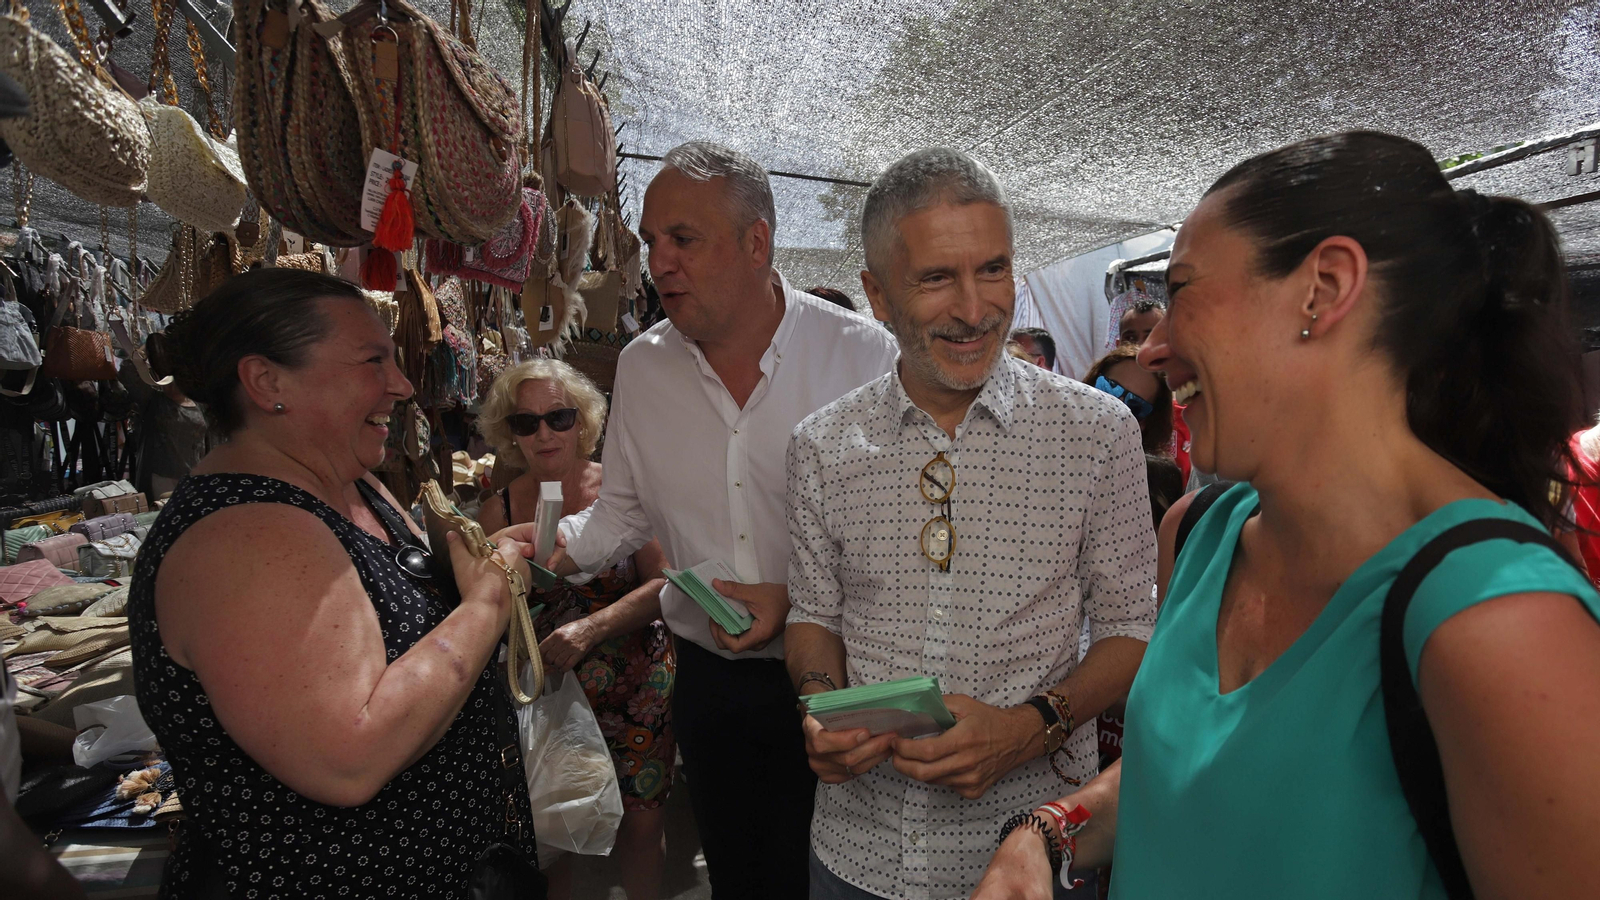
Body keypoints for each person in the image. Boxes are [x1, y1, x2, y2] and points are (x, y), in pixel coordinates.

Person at [972, 130, 1600, 899]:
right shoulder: (1201, 533)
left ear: (1326, 288)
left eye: (1182, 292)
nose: (1156, 347)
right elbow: (1188, 767)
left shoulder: (1501, 619)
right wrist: (1046, 833)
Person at [785, 147, 1156, 900]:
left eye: (993, 269)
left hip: (1032, 858)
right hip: (857, 853)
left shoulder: (1097, 432)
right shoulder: (820, 447)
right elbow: (813, 615)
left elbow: (1132, 630)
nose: (975, 307)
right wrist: (820, 703)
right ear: (877, 293)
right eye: (935, 278)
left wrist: (1032, 727)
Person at [540, 141, 899, 899]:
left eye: (683, 239)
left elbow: (906, 541)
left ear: (757, 242)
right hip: (714, 689)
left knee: (855, 884)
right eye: (650, 241)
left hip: (847, 677)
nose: (657, 262)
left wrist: (800, 605)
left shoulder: (865, 358)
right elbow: (623, 515)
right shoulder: (644, 365)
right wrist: (538, 546)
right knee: (746, 881)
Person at [127, 269, 539, 897]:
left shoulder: (348, 482)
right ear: (267, 383)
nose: (402, 385)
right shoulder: (247, 538)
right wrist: (487, 600)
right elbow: (348, 758)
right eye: (373, 360)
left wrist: (467, 562)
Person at [477, 359, 675, 900]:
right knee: (554, 831)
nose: (543, 433)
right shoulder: (499, 507)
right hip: (550, 697)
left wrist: (591, 627)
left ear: (583, 421)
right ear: (509, 432)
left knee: (642, 826)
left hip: (636, 688)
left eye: (558, 417)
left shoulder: (623, 492)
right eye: (525, 422)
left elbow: (665, 585)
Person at [120, 331, 210, 497]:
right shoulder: (154, 401)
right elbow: (127, 370)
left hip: (194, 476)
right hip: (162, 478)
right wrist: (148, 347)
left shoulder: (199, 403)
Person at [1083, 345, 1172, 458]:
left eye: (1135, 405)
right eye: (1109, 389)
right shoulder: (1055, 431)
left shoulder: (1150, 474)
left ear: (1146, 424)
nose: (1115, 409)